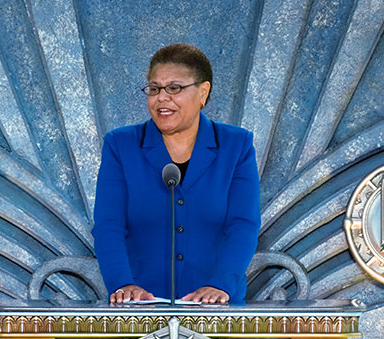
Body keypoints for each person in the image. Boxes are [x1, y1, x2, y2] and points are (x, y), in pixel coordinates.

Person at [92, 43, 260, 304]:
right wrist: (123, 284)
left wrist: (220, 286)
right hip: (139, 308)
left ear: (203, 92)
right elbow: (109, 225)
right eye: (154, 89)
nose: (161, 98)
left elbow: (243, 225)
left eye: (174, 88)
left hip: (217, 310)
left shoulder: (236, 145)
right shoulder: (121, 145)